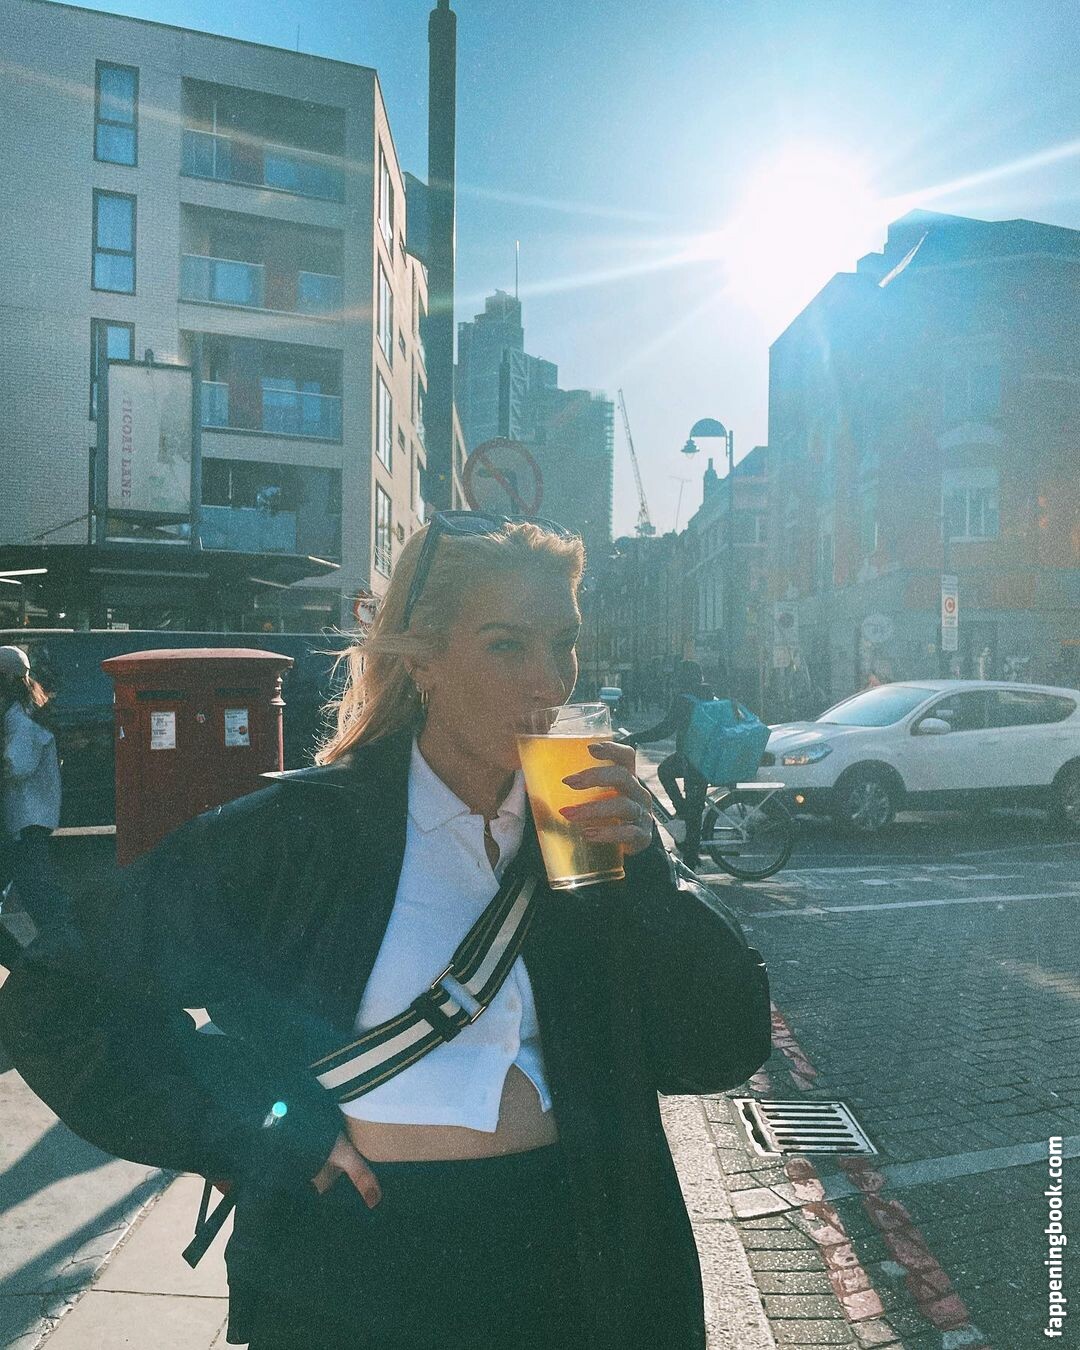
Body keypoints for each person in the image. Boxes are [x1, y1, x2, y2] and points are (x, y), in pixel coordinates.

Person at [0, 515, 770, 1350]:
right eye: (507, 645)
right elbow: (59, 999)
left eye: (565, 643)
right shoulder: (299, 835)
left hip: (579, 1258)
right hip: (359, 1273)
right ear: (422, 659)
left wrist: (649, 874)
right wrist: (254, 1126)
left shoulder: (595, 836)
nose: (550, 682)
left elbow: (720, 1049)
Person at [0, 645, 66, 938]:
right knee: (30, 884)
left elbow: (16, 765)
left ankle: (63, 936)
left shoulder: (20, 718)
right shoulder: (30, 710)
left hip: (27, 816)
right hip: (30, 815)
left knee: (35, 885)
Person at [627, 660, 714, 869]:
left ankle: (691, 858)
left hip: (693, 760)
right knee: (665, 770)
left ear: (682, 678)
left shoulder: (684, 699)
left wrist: (635, 737)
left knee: (693, 811)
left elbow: (665, 729)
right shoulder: (707, 695)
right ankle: (682, 811)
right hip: (702, 756)